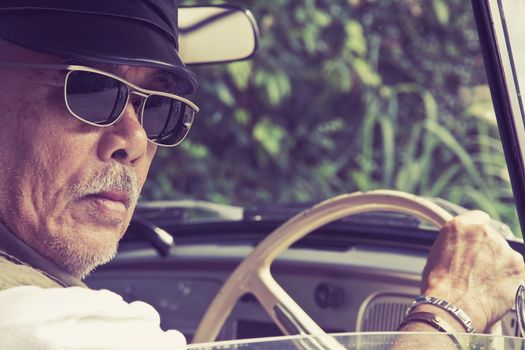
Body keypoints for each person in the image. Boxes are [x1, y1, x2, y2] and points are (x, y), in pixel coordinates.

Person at [0, 1, 522, 349]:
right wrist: (449, 311)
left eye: (160, 110)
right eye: (90, 91)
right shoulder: (43, 325)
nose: (134, 141)